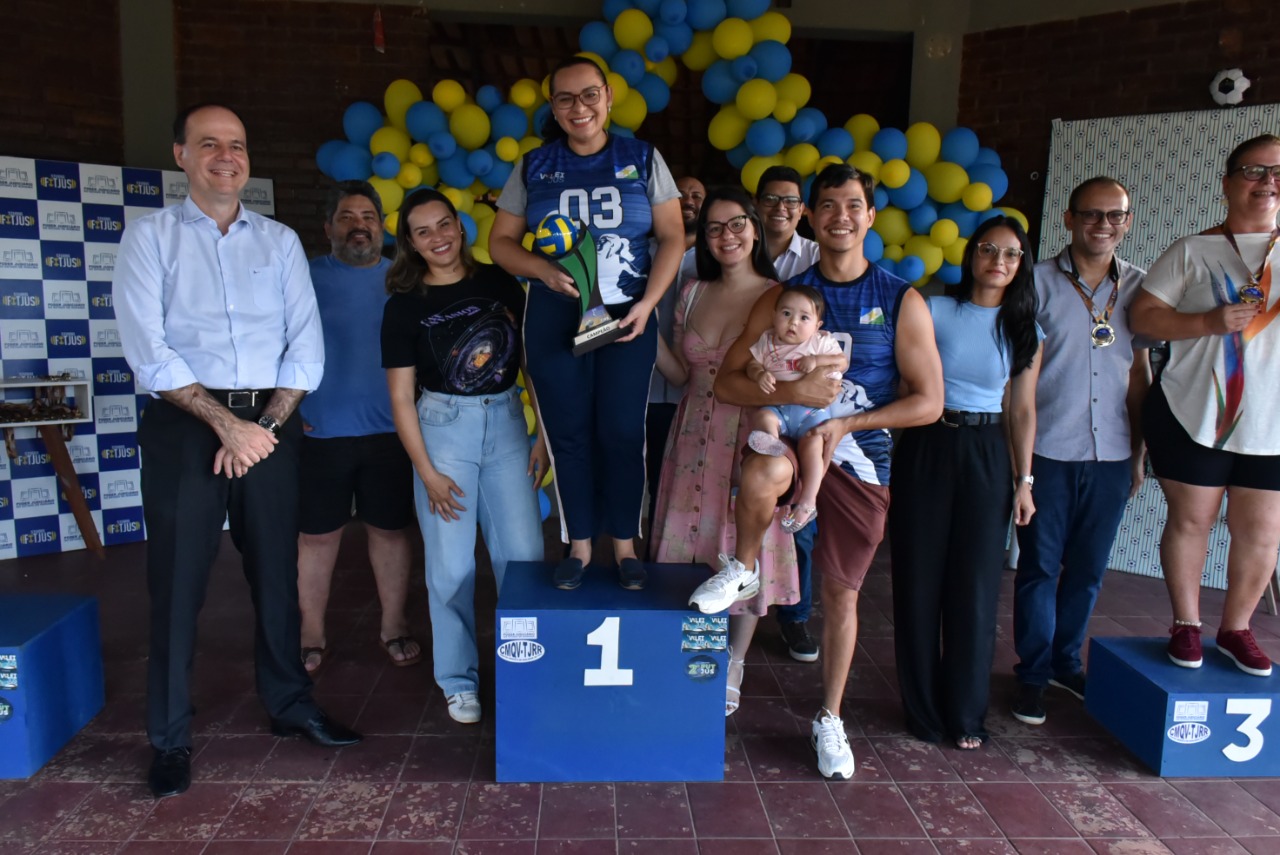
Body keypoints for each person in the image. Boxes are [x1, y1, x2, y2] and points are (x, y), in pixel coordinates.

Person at [114, 104, 361, 799]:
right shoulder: (150, 238)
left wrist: (264, 429)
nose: (227, 156)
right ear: (181, 155)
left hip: (270, 430)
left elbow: (303, 348)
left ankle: (290, 705)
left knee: (277, 578)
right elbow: (149, 351)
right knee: (177, 583)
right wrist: (227, 425)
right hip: (187, 424)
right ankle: (168, 737)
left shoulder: (279, 242)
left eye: (238, 145)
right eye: (210, 144)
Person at [713, 164, 944, 779]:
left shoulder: (900, 298)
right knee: (762, 472)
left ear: (870, 217)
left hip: (860, 457)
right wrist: (787, 386)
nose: (841, 215)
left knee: (842, 594)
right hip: (788, 439)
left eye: (853, 205)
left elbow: (929, 401)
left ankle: (830, 718)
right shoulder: (781, 298)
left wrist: (843, 425)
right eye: (829, 206)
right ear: (811, 218)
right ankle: (742, 570)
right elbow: (726, 382)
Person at [490, 56, 683, 591]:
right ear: (553, 106)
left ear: (608, 98)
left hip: (626, 317)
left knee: (621, 431)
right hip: (555, 315)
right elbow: (499, 244)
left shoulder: (641, 158)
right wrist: (542, 271)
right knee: (568, 434)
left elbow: (671, 236)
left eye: (589, 95)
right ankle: (578, 543)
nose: (580, 108)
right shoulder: (533, 165)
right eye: (566, 99)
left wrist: (648, 304)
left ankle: (623, 543)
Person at [382, 188, 547, 724]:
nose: (438, 238)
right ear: (409, 242)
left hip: (506, 422)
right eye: (423, 231)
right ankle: (458, 680)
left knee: (522, 558)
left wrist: (542, 434)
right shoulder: (404, 305)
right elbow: (401, 398)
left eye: (445, 225)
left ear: (461, 227)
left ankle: (526, 671)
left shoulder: (499, 283)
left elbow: (530, 365)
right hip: (442, 431)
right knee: (450, 566)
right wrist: (425, 471)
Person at [1130, 133, 1280, 678]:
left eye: (1277, 173)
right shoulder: (1193, 250)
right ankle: (1186, 623)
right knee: (1192, 521)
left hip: (1273, 423)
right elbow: (1142, 319)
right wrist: (1206, 323)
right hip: (1194, 413)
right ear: (1227, 181)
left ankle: (1237, 628)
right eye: (1254, 170)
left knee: (1262, 530)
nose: (1267, 182)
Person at [890, 216, 1043, 751]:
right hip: (928, 442)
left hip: (987, 453)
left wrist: (1024, 481)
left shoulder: (1025, 328)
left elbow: (1021, 410)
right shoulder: (934, 310)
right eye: (987, 250)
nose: (997, 261)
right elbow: (906, 380)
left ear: (1021, 263)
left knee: (975, 588)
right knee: (918, 580)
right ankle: (923, 710)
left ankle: (966, 715)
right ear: (971, 254)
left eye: (1010, 253)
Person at [650, 187, 798, 716]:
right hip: (692, 429)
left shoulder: (779, 295)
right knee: (691, 543)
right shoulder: (689, 292)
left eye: (736, 224)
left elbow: (790, 375)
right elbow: (680, 374)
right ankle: (689, 652)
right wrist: (644, 331)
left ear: (756, 228)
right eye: (714, 228)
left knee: (741, 548)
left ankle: (734, 661)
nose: (726, 236)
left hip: (748, 435)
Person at [1011, 177, 1150, 726]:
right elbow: (1018, 381)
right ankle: (1032, 674)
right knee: (1040, 568)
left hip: (1112, 455)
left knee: (1089, 570)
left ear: (1128, 221)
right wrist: (1020, 471)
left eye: (1115, 216)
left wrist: (1138, 453)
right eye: (1092, 215)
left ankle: (1066, 662)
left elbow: (1139, 376)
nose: (1104, 226)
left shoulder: (1139, 288)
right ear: (1068, 220)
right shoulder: (1036, 283)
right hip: (1048, 451)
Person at [296, 181, 419, 676]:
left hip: (391, 434)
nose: (359, 225)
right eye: (346, 217)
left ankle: (393, 624)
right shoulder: (302, 278)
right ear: (328, 228)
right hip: (318, 433)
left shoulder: (404, 280)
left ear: (382, 226)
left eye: (368, 216)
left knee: (389, 533)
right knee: (317, 538)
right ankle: (311, 631)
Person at [756, 166, 824, 663]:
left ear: (802, 209)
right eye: (771, 199)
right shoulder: (739, 245)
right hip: (753, 392)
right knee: (745, 507)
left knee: (799, 515)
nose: (781, 208)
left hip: (806, 401)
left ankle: (795, 615)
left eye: (791, 201)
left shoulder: (818, 257)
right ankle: (738, 605)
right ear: (757, 204)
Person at [743, 285, 849, 533]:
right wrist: (759, 373)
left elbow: (842, 361)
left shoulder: (820, 342)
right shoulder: (767, 342)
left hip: (810, 413)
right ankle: (771, 443)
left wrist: (816, 361)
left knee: (813, 447)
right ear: (774, 315)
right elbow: (751, 364)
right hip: (777, 408)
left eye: (804, 318)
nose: (793, 322)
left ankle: (807, 502)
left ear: (817, 325)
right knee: (763, 416)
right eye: (786, 313)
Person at [646, 175, 707, 544]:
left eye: (697, 195)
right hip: (649, 388)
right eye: (680, 193)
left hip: (698, 392)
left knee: (695, 479)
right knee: (656, 477)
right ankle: (652, 556)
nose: (688, 199)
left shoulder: (717, 252)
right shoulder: (643, 249)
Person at [677, 175, 707, 250]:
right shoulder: (648, 247)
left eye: (696, 196)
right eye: (680, 196)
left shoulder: (714, 250)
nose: (688, 202)